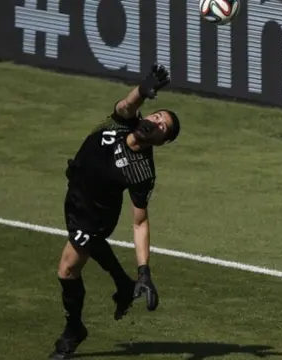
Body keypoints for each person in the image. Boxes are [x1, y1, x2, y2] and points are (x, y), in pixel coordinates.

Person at [49, 64, 180, 359]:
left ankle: (74, 330)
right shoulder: (123, 122)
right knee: (78, 256)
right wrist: (142, 90)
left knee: (67, 270)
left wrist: (144, 271)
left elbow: (140, 221)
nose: (158, 123)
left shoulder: (142, 171)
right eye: (158, 116)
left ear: (162, 142)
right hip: (75, 192)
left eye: (164, 128)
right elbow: (125, 104)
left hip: (95, 213)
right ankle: (122, 285)